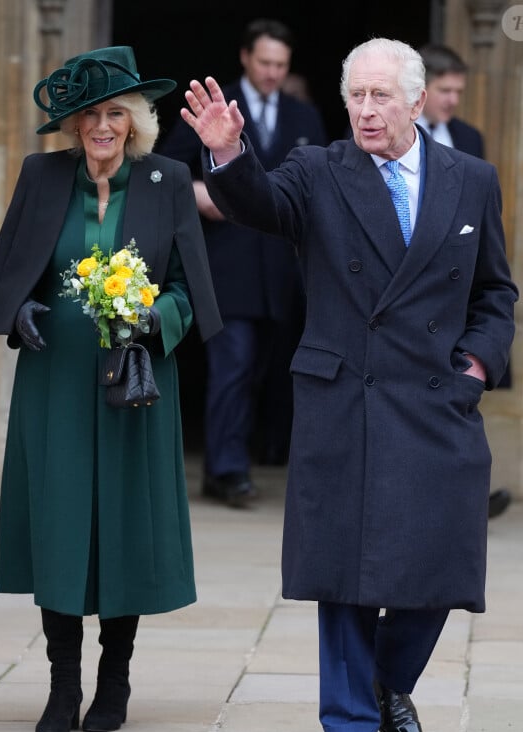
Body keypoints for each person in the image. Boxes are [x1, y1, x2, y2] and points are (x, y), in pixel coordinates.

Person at [179, 37, 518, 732]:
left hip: (436, 400)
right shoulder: (319, 170)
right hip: (348, 395)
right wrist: (229, 157)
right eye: (355, 96)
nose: (365, 111)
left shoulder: (473, 178)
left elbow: (495, 292)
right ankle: (350, 730)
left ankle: (389, 681)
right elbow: (260, 205)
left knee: (442, 563)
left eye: (380, 97)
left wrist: (477, 362)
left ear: (416, 100)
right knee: (348, 574)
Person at [0, 46, 221, 732]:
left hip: (135, 382)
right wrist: (19, 310)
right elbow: (5, 276)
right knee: (58, 525)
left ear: (137, 122)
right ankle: (62, 685)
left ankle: (113, 681)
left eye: (116, 113)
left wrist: (152, 318)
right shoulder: (41, 175)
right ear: (73, 124)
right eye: (89, 115)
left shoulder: (168, 180)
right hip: (55, 381)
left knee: (121, 526)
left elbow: (192, 294)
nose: (102, 126)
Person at [159, 18, 328, 507]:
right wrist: (197, 190)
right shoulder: (212, 107)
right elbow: (166, 173)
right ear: (245, 58)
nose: (273, 72)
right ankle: (226, 470)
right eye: (265, 62)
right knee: (232, 367)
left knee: (268, 370)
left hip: (284, 268)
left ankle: (267, 453)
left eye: (281, 64)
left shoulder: (303, 116)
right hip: (226, 264)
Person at [418, 42, 512, 520]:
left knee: (467, 389)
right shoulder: (384, 138)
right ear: (420, 90)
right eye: (444, 89)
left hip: (462, 292)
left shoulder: (469, 139)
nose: (453, 99)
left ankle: (468, 484)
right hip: (411, 300)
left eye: (459, 90)